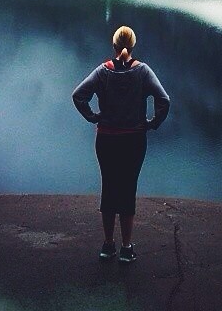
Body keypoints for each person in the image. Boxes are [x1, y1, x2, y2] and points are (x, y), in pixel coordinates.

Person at [72, 25, 170, 263]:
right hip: (134, 139)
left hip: (106, 138)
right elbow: (163, 100)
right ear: (132, 45)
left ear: (114, 45)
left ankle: (108, 245)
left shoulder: (102, 72)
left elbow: (78, 95)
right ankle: (127, 247)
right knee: (128, 189)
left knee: (109, 187)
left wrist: (93, 116)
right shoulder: (143, 72)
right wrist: (152, 123)